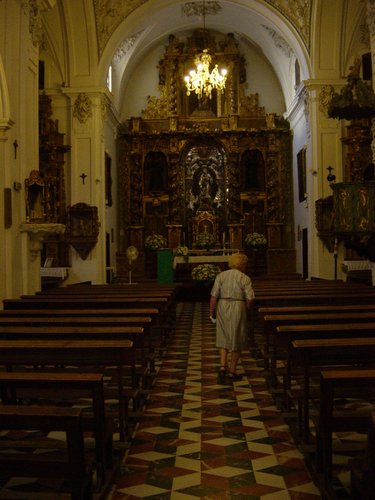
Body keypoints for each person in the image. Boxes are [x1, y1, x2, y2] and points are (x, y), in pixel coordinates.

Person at [210, 253, 255, 382]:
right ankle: (232, 370)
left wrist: (211, 311)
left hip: (223, 305)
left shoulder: (221, 275)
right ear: (242, 264)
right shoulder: (244, 278)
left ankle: (222, 366)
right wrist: (247, 308)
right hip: (238, 305)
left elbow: (214, 295)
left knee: (223, 334)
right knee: (237, 336)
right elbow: (250, 298)